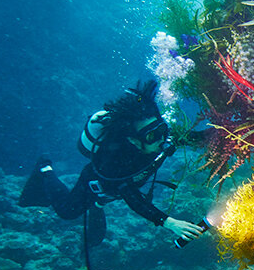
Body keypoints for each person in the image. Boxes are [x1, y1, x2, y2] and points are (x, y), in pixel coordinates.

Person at [18, 80, 205, 249]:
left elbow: (189, 138)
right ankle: (45, 169)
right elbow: (132, 197)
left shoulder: (158, 140)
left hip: (119, 188)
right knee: (67, 211)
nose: (161, 139)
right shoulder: (116, 165)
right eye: (151, 135)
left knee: (101, 203)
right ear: (133, 140)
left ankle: (98, 204)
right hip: (97, 184)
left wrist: (225, 137)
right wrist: (169, 222)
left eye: (162, 129)